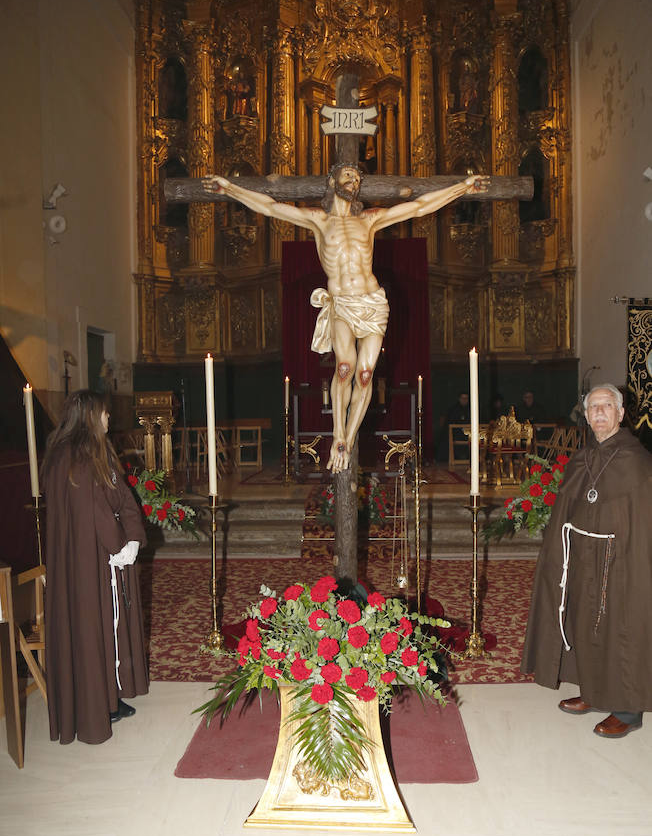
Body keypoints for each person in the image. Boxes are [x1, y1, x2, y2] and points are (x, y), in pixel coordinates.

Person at [203, 165, 488, 472]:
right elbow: (271, 208)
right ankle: (338, 430)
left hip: (373, 302)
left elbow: (419, 207)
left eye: (357, 178)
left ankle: (347, 440)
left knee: (365, 375)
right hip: (341, 303)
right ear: (332, 181)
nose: (353, 181)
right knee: (344, 367)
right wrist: (229, 188)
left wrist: (463, 187)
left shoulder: (370, 220)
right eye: (348, 175)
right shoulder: (319, 221)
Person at [521, 384, 652, 738]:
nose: (598, 413)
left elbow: (641, 521)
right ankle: (594, 692)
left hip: (620, 561)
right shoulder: (582, 458)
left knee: (619, 629)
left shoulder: (637, 461)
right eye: (592, 407)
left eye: (606, 406)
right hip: (581, 556)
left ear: (621, 413)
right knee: (584, 622)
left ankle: (627, 710)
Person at [43, 390, 149, 744]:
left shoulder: (65, 454)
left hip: (77, 558)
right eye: (104, 414)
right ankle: (101, 705)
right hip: (95, 557)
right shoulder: (84, 457)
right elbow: (102, 510)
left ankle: (104, 698)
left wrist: (129, 536)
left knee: (91, 628)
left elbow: (115, 499)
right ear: (91, 416)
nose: (108, 419)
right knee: (100, 624)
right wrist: (122, 544)